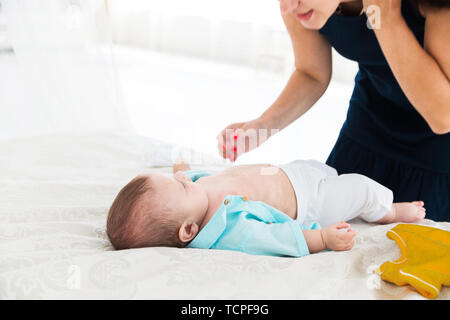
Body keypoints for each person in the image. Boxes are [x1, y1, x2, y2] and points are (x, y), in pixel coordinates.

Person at [217, 0, 450, 221]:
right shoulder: (300, 6)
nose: (287, 7)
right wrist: (262, 126)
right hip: (369, 128)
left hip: (438, 153)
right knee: (337, 236)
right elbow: (311, 73)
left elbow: (443, 116)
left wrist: (386, 18)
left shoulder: (432, 6)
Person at [106, 159, 425, 256]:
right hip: (311, 203)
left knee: (329, 170)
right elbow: (278, 238)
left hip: (293, 172)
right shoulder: (230, 229)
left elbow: (187, 177)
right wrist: (323, 239)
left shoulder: (194, 196)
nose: (182, 179)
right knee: (360, 188)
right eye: (179, 186)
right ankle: (389, 210)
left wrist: (182, 172)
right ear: (189, 230)